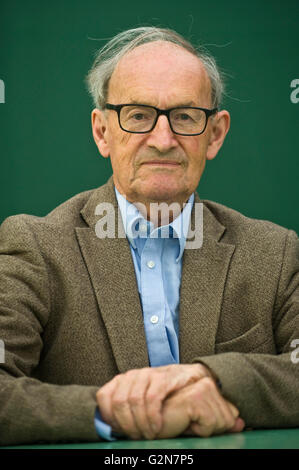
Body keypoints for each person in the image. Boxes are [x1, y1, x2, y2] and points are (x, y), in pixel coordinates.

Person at [0, 27, 298, 446]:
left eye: (185, 116)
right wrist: (115, 413)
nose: (162, 140)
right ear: (102, 131)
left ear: (215, 134)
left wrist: (211, 379)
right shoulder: (36, 247)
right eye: (138, 115)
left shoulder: (276, 253)